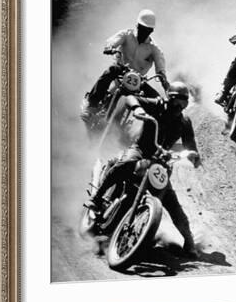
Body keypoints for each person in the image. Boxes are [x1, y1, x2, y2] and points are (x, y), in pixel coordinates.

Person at [86, 81, 201, 258]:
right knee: (125, 164)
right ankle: (97, 197)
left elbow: (190, 144)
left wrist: (193, 154)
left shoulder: (184, 121)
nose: (179, 106)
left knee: (170, 201)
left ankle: (189, 240)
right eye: (177, 100)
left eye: (183, 102)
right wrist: (138, 108)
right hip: (141, 150)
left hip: (161, 162)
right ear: (169, 97)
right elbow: (130, 97)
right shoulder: (156, 105)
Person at [81, 9, 169, 121]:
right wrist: (110, 47)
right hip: (120, 71)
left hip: (138, 80)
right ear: (137, 25)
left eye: (147, 30)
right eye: (142, 28)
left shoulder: (154, 48)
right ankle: (91, 106)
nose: (143, 32)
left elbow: (160, 64)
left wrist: (163, 79)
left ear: (151, 31)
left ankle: (147, 131)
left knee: (158, 101)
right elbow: (113, 41)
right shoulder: (126, 35)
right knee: (110, 70)